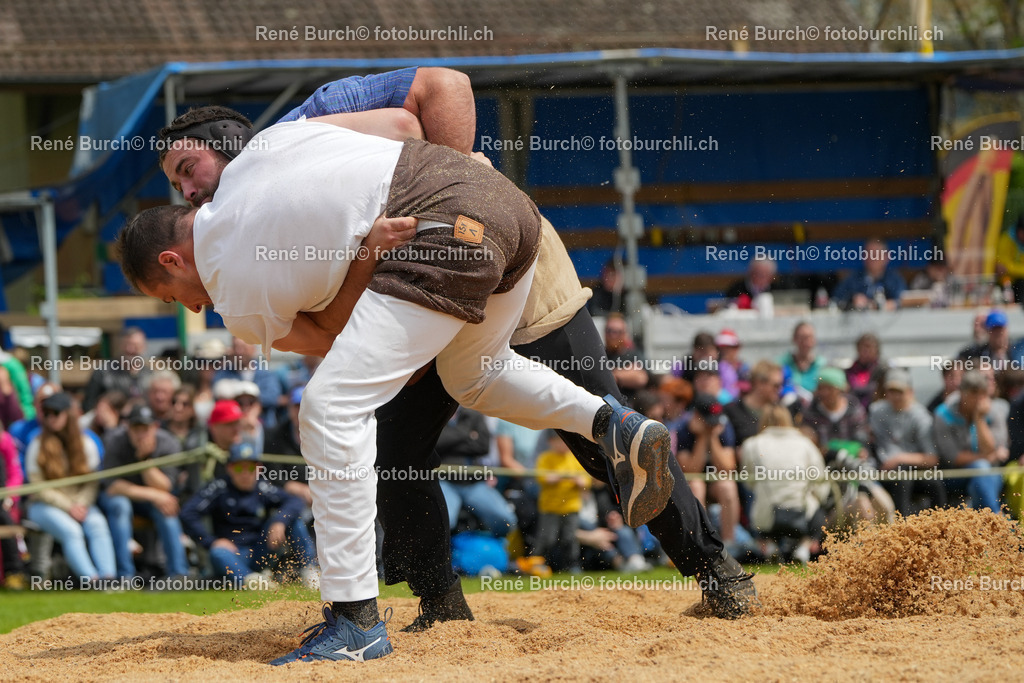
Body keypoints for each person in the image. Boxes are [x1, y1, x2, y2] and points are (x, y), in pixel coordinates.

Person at [156, 70, 753, 632]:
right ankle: (440, 606)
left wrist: (454, 173)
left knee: (599, 433)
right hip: (409, 303)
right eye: (174, 185)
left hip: (497, 259)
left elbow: (444, 85)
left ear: (232, 143)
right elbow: (322, 324)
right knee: (395, 451)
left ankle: (717, 573)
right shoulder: (244, 228)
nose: (185, 189)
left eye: (188, 166)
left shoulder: (306, 124)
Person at [180, 442, 317, 589]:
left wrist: (279, 521)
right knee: (218, 552)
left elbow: (294, 501)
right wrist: (210, 541)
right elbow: (188, 513)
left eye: (250, 467)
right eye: (239, 468)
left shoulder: (262, 487)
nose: (245, 473)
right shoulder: (219, 487)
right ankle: (253, 582)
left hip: (261, 550)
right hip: (233, 552)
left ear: (258, 469)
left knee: (292, 520)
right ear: (230, 469)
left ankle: (310, 571)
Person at [24, 392, 116, 582]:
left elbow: (92, 482)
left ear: (68, 415)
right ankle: (91, 580)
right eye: (46, 413)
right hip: (45, 506)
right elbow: (38, 488)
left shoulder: (86, 443)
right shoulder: (37, 444)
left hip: (82, 503)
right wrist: (69, 507)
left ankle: (109, 578)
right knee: (71, 530)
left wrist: (80, 504)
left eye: (55, 413)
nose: (50, 418)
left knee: (98, 525)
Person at [99, 404, 190, 579]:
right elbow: (113, 486)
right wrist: (155, 495)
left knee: (167, 508)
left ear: (155, 427)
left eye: (145, 428)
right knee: (120, 505)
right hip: (120, 498)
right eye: (136, 428)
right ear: (127, 427)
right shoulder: (115, 441)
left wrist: (145, 460)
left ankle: (179, 575)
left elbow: (165, 487)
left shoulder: (168, 443)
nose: (141, 434)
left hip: (149, 502)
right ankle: (125, 576)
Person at [739, 405, 829, 564]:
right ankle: (803, 547)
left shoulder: (752, 444)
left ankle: (770, 546)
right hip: (802, 513)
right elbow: (821, 482)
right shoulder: (805, 444)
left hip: (767, 516)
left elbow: (749, 482)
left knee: (756, 500)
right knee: (817, 506)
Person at [868, 369, 946, 516]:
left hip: (912, 471)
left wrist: (899, 459)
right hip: (883, 471)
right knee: (903, 478)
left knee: (932, 482)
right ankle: (901, 530)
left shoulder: (921, 417)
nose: (896, 396)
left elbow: (932, 459)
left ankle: (942, 523)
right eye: (892, 391)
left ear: (910, 392)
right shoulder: (876, 412)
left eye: (900, 391)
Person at [933, 370, 1009, 512]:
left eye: (983, 394)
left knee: (980, 481)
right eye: (974, 393)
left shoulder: (995, 411)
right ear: (962, 393)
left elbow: (994, 448)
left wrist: (979, 419)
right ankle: (997, 522)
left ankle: (986, 525)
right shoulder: (943, 414)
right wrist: (986, 457)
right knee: (981, 468)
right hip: (955, 475)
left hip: (990, 473)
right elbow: (952, 457)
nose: (980, 399)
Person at [676, 395, 741, 555]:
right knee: (696, 485)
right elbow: (691, 470)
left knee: (728, 486)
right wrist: (702, 437)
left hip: (714, 485)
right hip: (694, 485)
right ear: (697, 416)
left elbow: (727, 468)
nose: (712, 423)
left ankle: (729, 545)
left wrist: (711, 436)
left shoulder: (723, 428)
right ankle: (701, 542)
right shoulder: (684, 430)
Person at [437, 408, 514, 536]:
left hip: (473, 482)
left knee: (506, 519)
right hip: (443, 481)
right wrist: (466, 433)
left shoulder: (473, 413)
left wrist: (449, 442)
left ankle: (496, 549)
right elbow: (436, 444)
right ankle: (445, 554)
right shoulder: (433, 412)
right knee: (444, 520)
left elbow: (483, 446)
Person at [534, 431, 590, 572]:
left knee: (570, 538)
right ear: (550, 442)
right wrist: (556, 477)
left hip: (571, 506)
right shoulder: (545, 458)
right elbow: (541, 477)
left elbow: (586, 481)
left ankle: (572, 565)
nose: (563, 444)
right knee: (547, 537)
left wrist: (580, 481)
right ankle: (538, 563)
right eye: (559, 440)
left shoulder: (575, 458)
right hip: (550, 507)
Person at [82, 327, 151, 412]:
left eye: (135, 346)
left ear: (144, 347)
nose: (130, 349)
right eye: (127, 345)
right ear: (120, 346)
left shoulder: (150, 376)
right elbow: (88, 405)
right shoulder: (103, 373)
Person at [831, 238, 906, 311]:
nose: (872, 258)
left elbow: (904, 299)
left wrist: (894, 304)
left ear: (886, 256)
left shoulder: (895, 279)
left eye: (877, 254)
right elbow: (836, 299)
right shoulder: (854, 278)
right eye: (868, 254)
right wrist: (852, 300)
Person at [723, 360, 783, 448]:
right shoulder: (731, 410)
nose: (780, 390)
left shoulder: (779, 411)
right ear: (759, 383)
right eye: (776, 386)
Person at [603, 313, 649, 404]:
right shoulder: (600, 354)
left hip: (631, 407)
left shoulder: (633, 354)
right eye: (609, 331)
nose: (613, 335)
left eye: (617, 332)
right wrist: (626, 373)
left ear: (624, 334)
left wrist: (612, 375)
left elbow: (641, 378)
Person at [780, 322, 827, 394]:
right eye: (802, 338)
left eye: (810, 338)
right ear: (794, 339)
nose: (806, 343)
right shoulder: (782, 363)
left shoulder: (822, 365)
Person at [845, 333, 885, 410]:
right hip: (854, 411)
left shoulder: (883, 370)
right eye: (862, 347)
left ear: (876, 350)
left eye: (869, 347)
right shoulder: (849, 372)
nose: (865, 350)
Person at [714, 329, 748, 401]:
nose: (724, 351)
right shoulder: (713, 368)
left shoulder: (745, 368)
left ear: (737, 348)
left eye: (729, 347)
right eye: (720, 348)